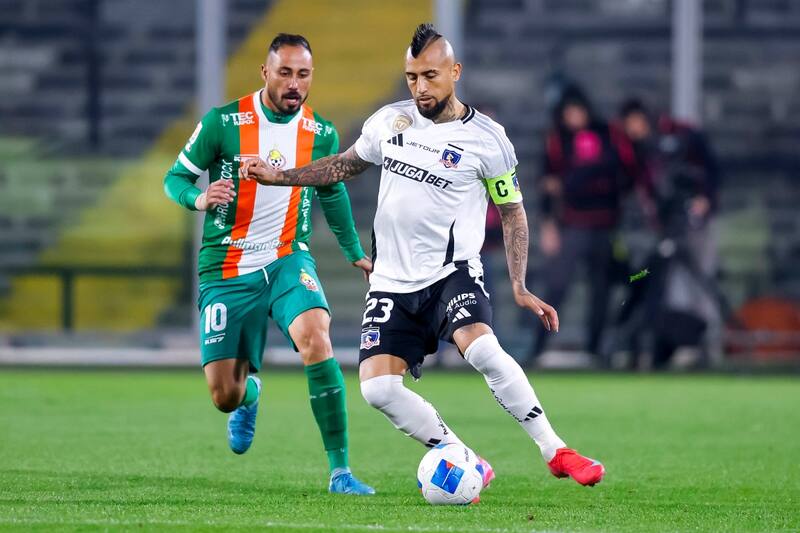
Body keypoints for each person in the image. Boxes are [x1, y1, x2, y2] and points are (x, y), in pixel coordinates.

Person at [241, 24, 605, 488]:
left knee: (483, 349)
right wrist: (280, 177)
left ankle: (555, 450)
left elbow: (512, 212)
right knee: (377, 389)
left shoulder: (488, 140)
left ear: (454, 72)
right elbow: (341, 165)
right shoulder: (389, 121)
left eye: (430, 76)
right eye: (412, 77)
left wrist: (518, 284)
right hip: (391, 279)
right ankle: (459, 453)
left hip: (451, 272)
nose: (420, 87)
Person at [162, 33, 375, 495]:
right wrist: (199, 198)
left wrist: (354, 250)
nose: (294, 83)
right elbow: (174, 176)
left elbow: (332, 190)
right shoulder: (223, 122)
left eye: (303, 74)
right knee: (224, 396)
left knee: (316, 336)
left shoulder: (322, 133)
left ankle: (340, 471)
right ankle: (249, 395)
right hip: (225, 267)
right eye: (285, 72)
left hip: (286, 257)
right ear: (265, 72)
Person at [529, 84, 637, 364]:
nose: (574, 117)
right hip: (572, 226)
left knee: (601, 289)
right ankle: (537, 348)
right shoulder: (557, 140)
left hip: (605, 225)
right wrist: (548, 225)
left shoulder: (609, 135)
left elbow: (627, 170)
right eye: (569, 112)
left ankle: (595, 349)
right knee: (557, 286)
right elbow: (546, 184)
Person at [618, 98, 722, 369]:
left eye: (636, 123)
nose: (633, 130)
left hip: (697, 224)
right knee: (655, 279)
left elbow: (711, 169)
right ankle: (675, 344)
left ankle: (708, 345)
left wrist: (705, 198)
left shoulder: (682, 135)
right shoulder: (636, 150)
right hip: (665, 230)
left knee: (702, 282)